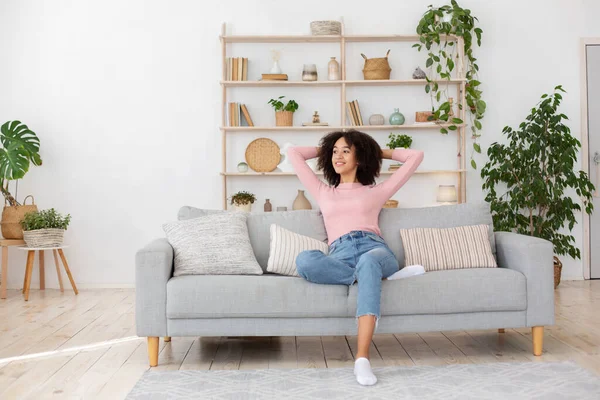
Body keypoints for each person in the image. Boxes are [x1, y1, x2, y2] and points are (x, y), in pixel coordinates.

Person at [287, 129, 424, 386]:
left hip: (374, 250)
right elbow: (294, 153)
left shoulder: (376, 191)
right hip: (340, 255)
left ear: (359, 157)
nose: (338, 156)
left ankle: (362, 358)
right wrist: (328, 148)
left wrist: (371, 148)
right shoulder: (323, 191)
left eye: (346, 151)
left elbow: (416, 156)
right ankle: (379, 278)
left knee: (369, 263)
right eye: (335, 151)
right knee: (305, 260)